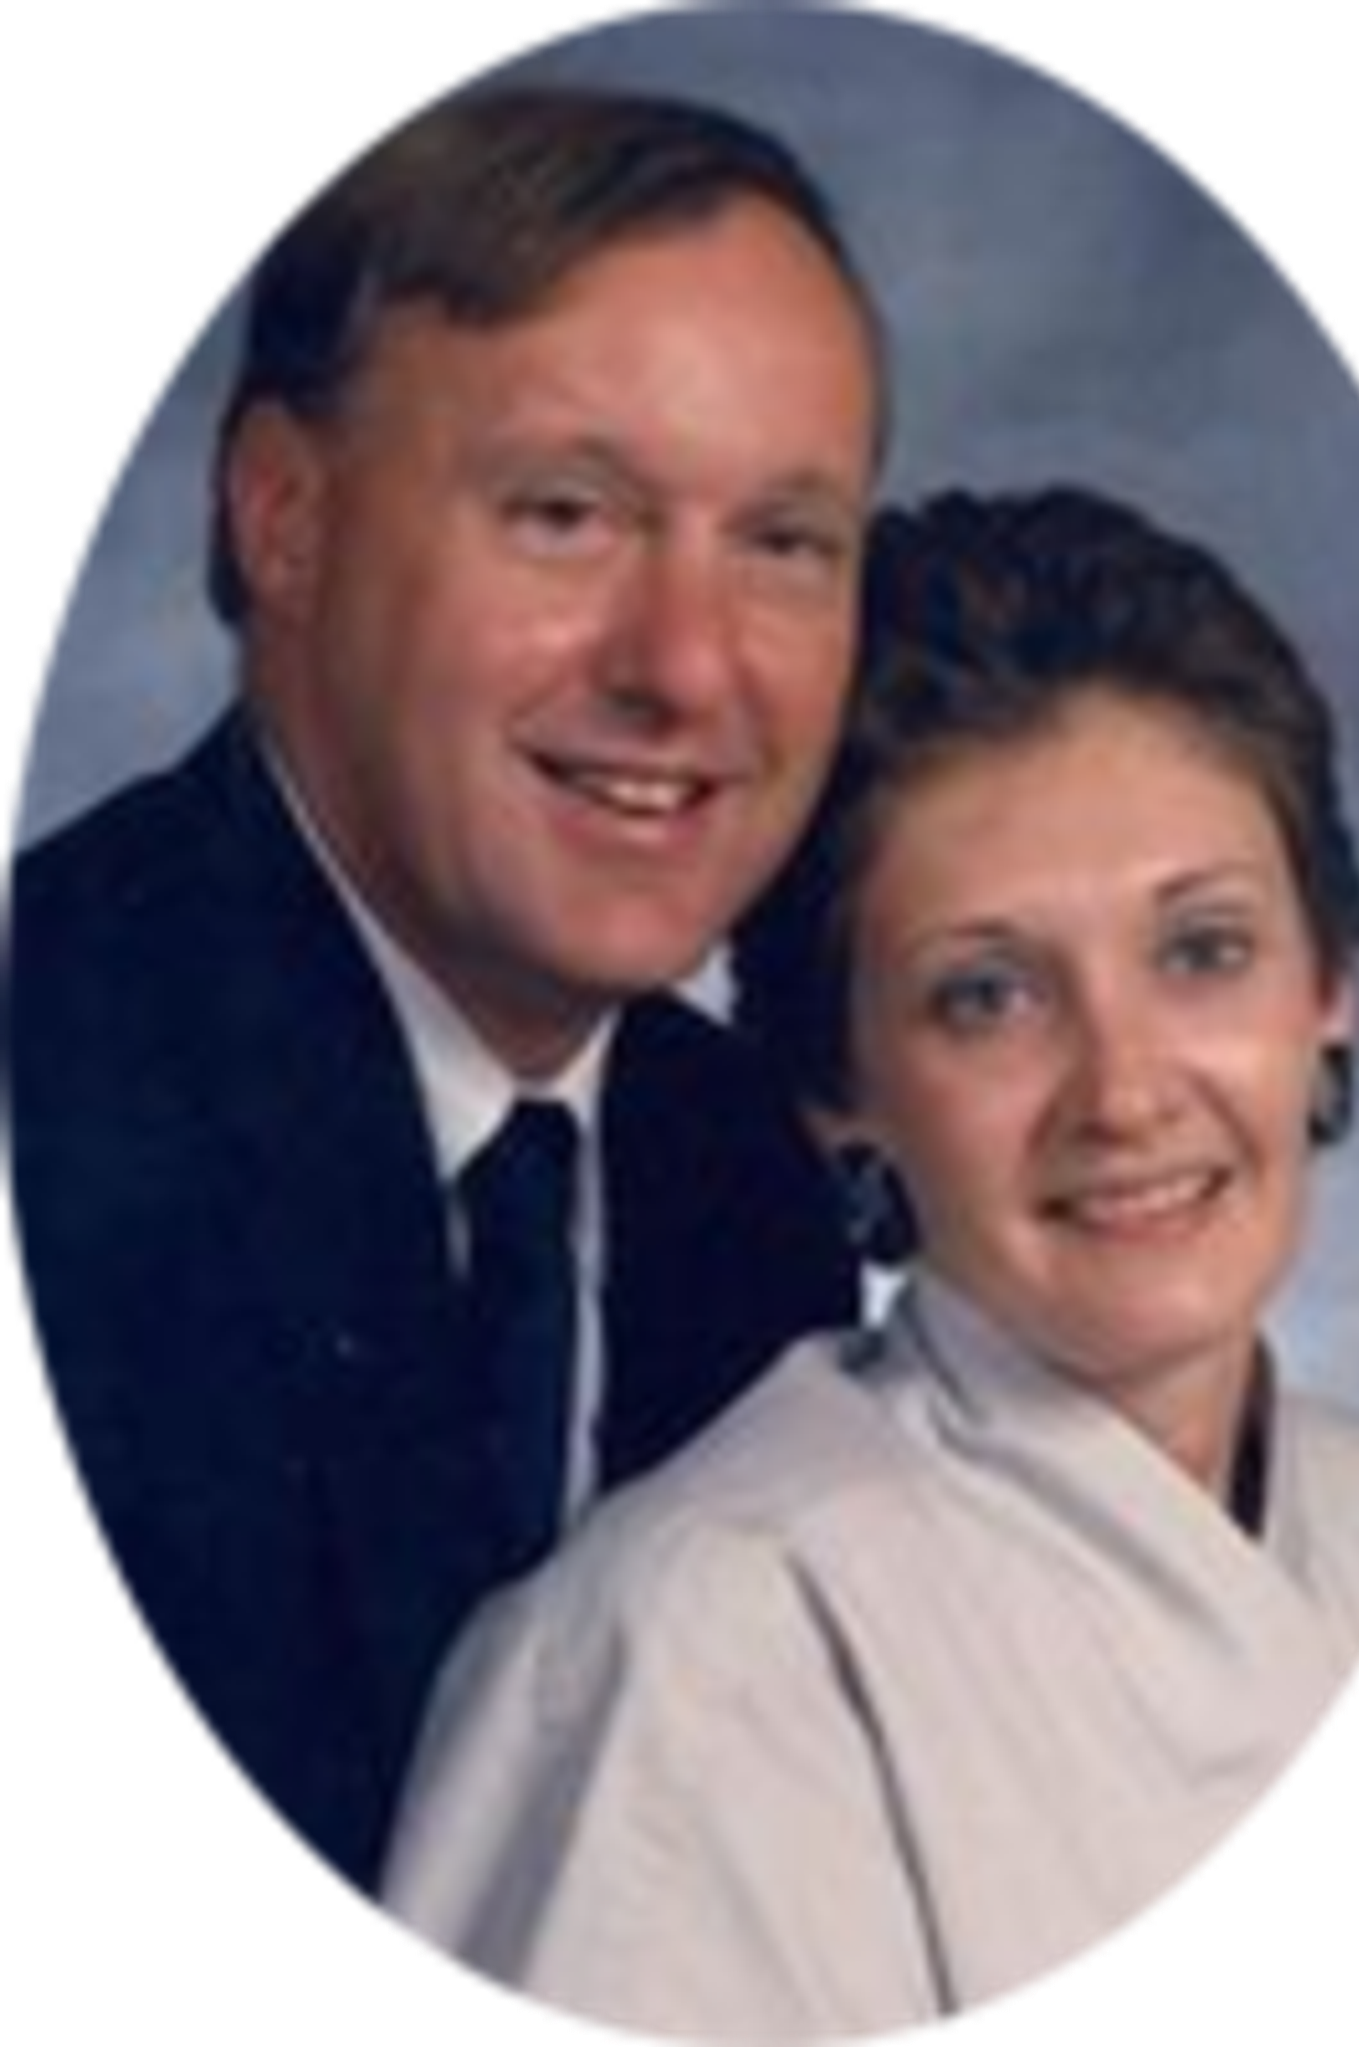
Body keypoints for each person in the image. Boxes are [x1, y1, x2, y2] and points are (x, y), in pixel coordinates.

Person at [374, 487, 1359, 2037]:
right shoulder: (701, 1652)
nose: (1124, 1092)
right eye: (986, 996)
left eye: (1200, 951)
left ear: (1326, 988)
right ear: (839, 1093)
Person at [0, 88, 883, 1904]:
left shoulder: (737, 1167)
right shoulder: (34, 1090)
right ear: (284, 516)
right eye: (566, 514)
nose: (686, 667)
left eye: (784, 542)